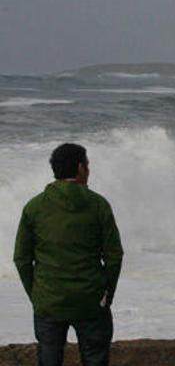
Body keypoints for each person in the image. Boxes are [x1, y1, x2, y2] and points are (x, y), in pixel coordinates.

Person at [13, 143, 124, 366]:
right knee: (95, 359)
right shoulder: (99, 205)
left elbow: (22, 258)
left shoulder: (34, 207)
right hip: (91, 300)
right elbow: (114, 256)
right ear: (81, 168)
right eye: (88, 165)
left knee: (49, 360)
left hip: (49, 301)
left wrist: (37, 295)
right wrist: (106, 294)